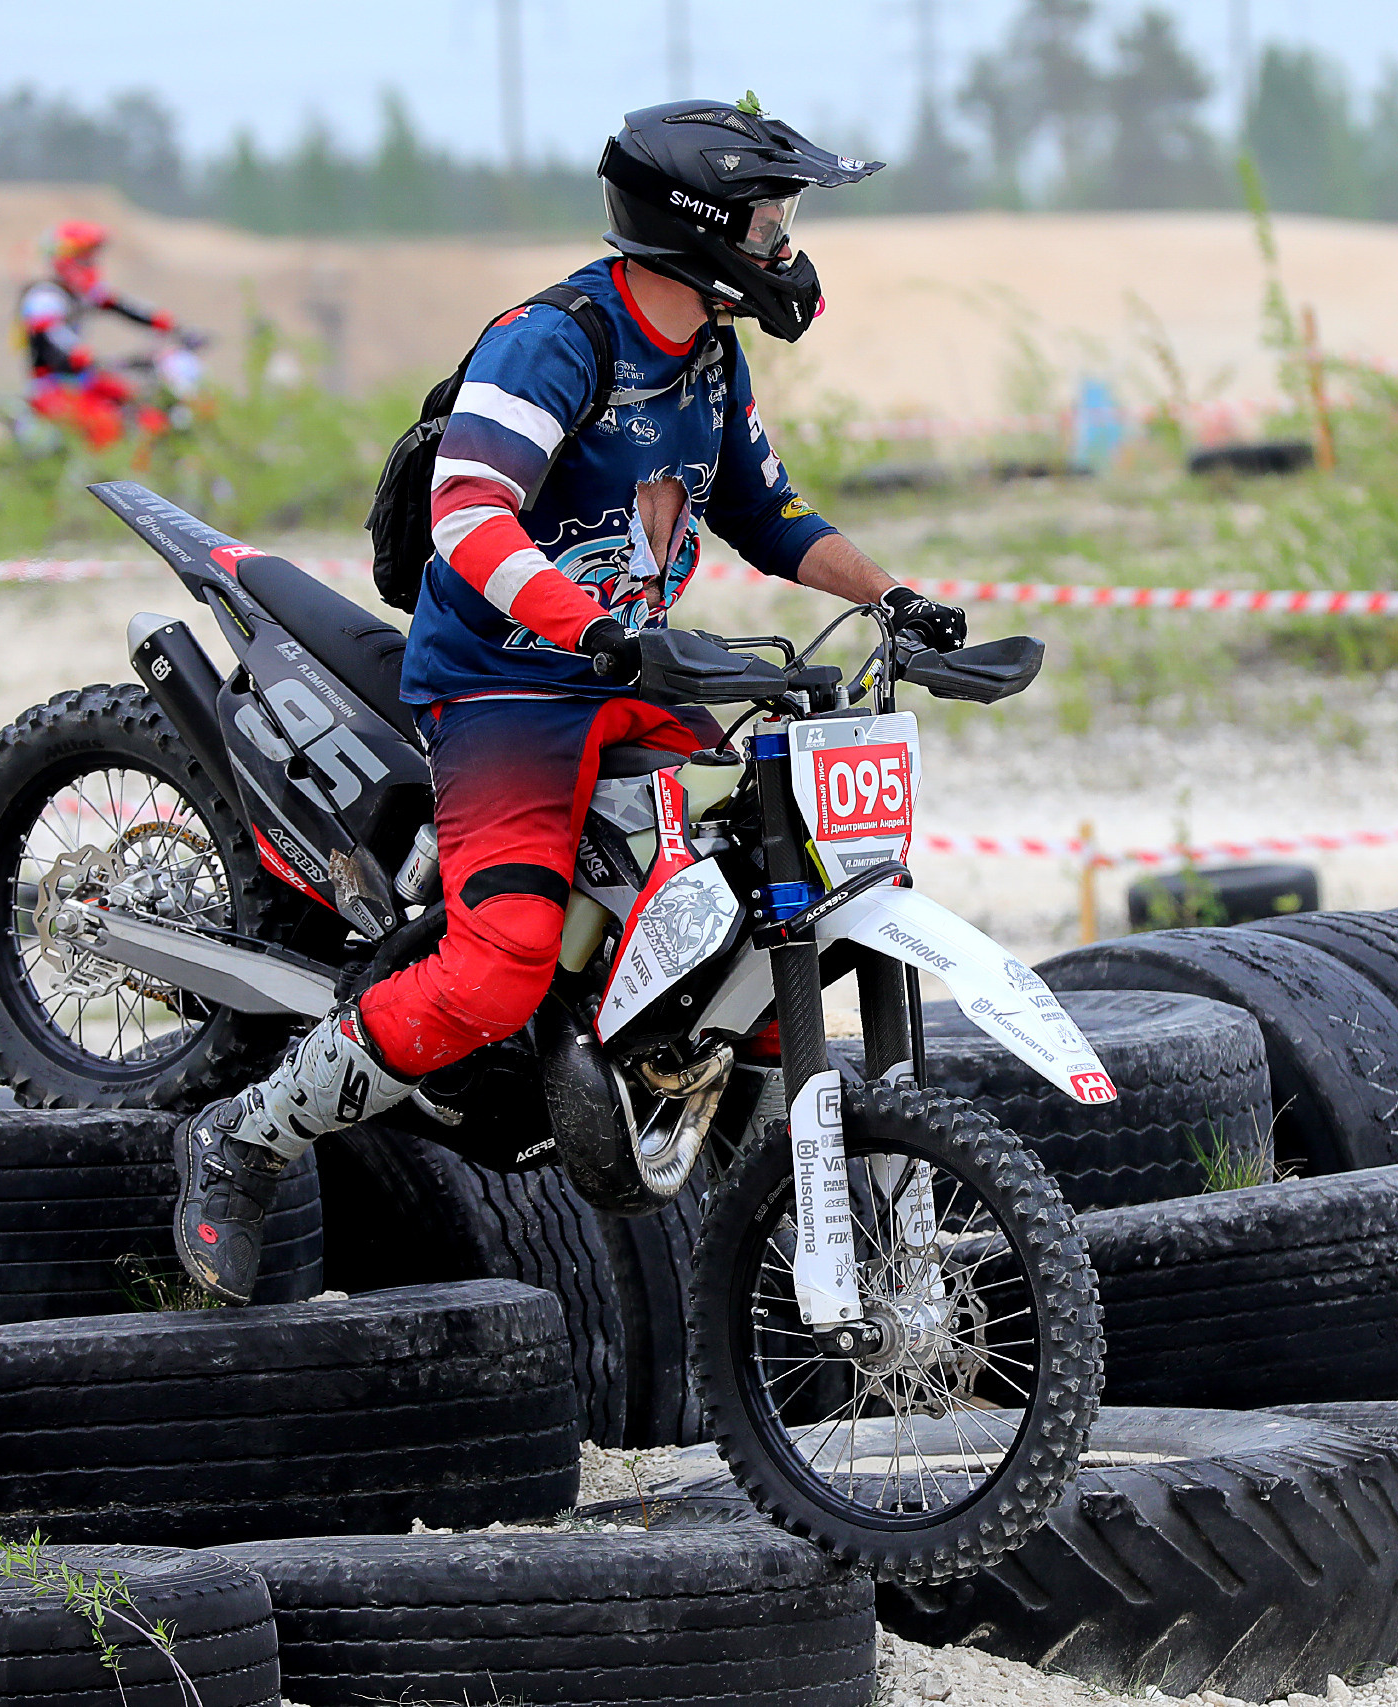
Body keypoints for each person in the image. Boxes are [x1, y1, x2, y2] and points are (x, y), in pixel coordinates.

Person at [169, 99, 972, 1303]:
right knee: (498, 965)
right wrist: (587, 626)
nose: (786, 243)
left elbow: (766, 515)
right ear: (695, 225)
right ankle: (245, 1134)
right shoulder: (554, 340)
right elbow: (469, 519)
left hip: (625, 673)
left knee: (756, 894)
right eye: (768, 218)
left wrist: (892, 597)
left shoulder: (706, 349)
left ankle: (668, 1101)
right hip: (508, 684)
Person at [17, 221, 192, 450]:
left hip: (84, 379)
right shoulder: (45, 298)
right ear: (65, 259)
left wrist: (167, 323)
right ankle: (101, 478)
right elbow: (51, 336)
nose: (90, 264)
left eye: (91, 257)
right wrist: (79, 354)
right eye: (84, 257)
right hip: (52, 387)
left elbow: (123, 306)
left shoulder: (83, 291)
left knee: (141, 404)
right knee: (105, 424)